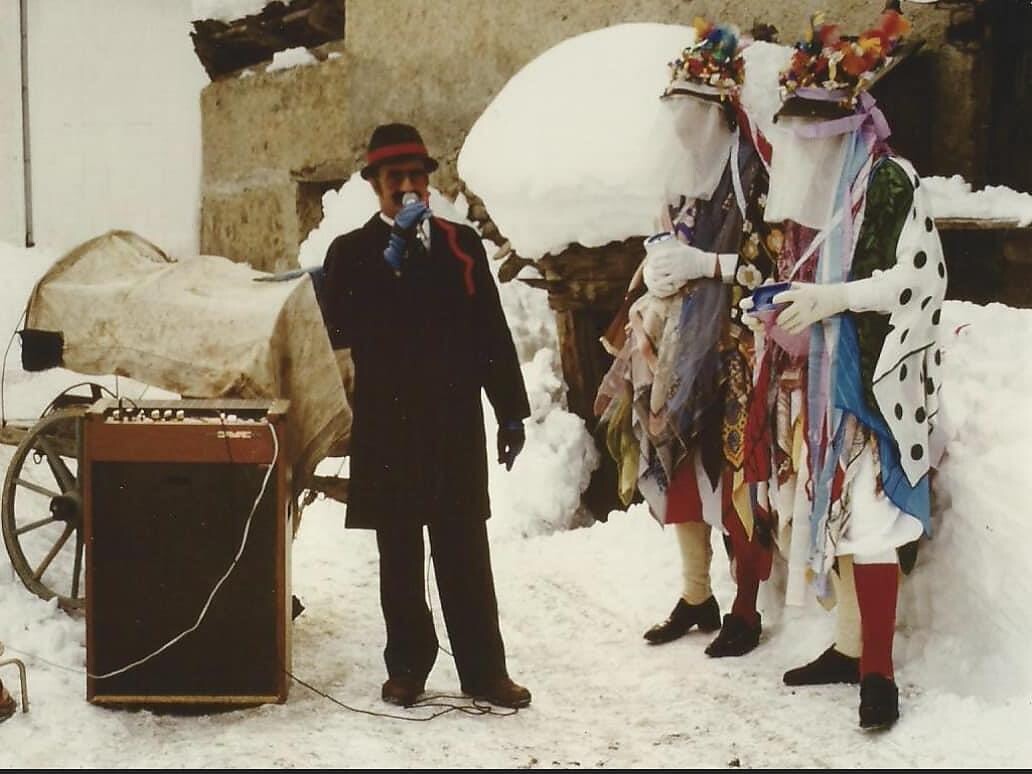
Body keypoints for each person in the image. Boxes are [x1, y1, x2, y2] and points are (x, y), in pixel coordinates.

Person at [740, 8, 946, 729]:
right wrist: (779, 313)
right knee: (837, 513)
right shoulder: (819, 193)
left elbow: (916, 280)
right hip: (826, 379)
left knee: (874, 519)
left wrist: (830, 299)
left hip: (876, 381)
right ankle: (851, 646)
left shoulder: (890, 183)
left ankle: (879, 675)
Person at [321, 123, 532, 709]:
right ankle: (408, 667)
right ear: (375, 186)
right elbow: (337, 328)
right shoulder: (351, 253)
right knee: (400, 553)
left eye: (418, 177)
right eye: (396, 180)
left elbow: (490, 331)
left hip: (452, 421)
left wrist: (510, 412)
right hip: (388, 424)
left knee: (464, 547)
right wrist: (388, 263)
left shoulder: (461, 244)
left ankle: (485, 672)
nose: (409, 188)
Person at [595, 22, 780, 659]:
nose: (679, 125)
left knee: (737, 470)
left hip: (738, 342)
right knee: (678, 463)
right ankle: (696, 593)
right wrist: (661, 256)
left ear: (720, 111)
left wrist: (709, 267)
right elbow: (661, 228)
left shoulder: (755, 172)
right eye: (673, 109)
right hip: (678, 335)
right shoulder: (679, 172)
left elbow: (777, 265)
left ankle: (747, 607)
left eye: (692, 111)